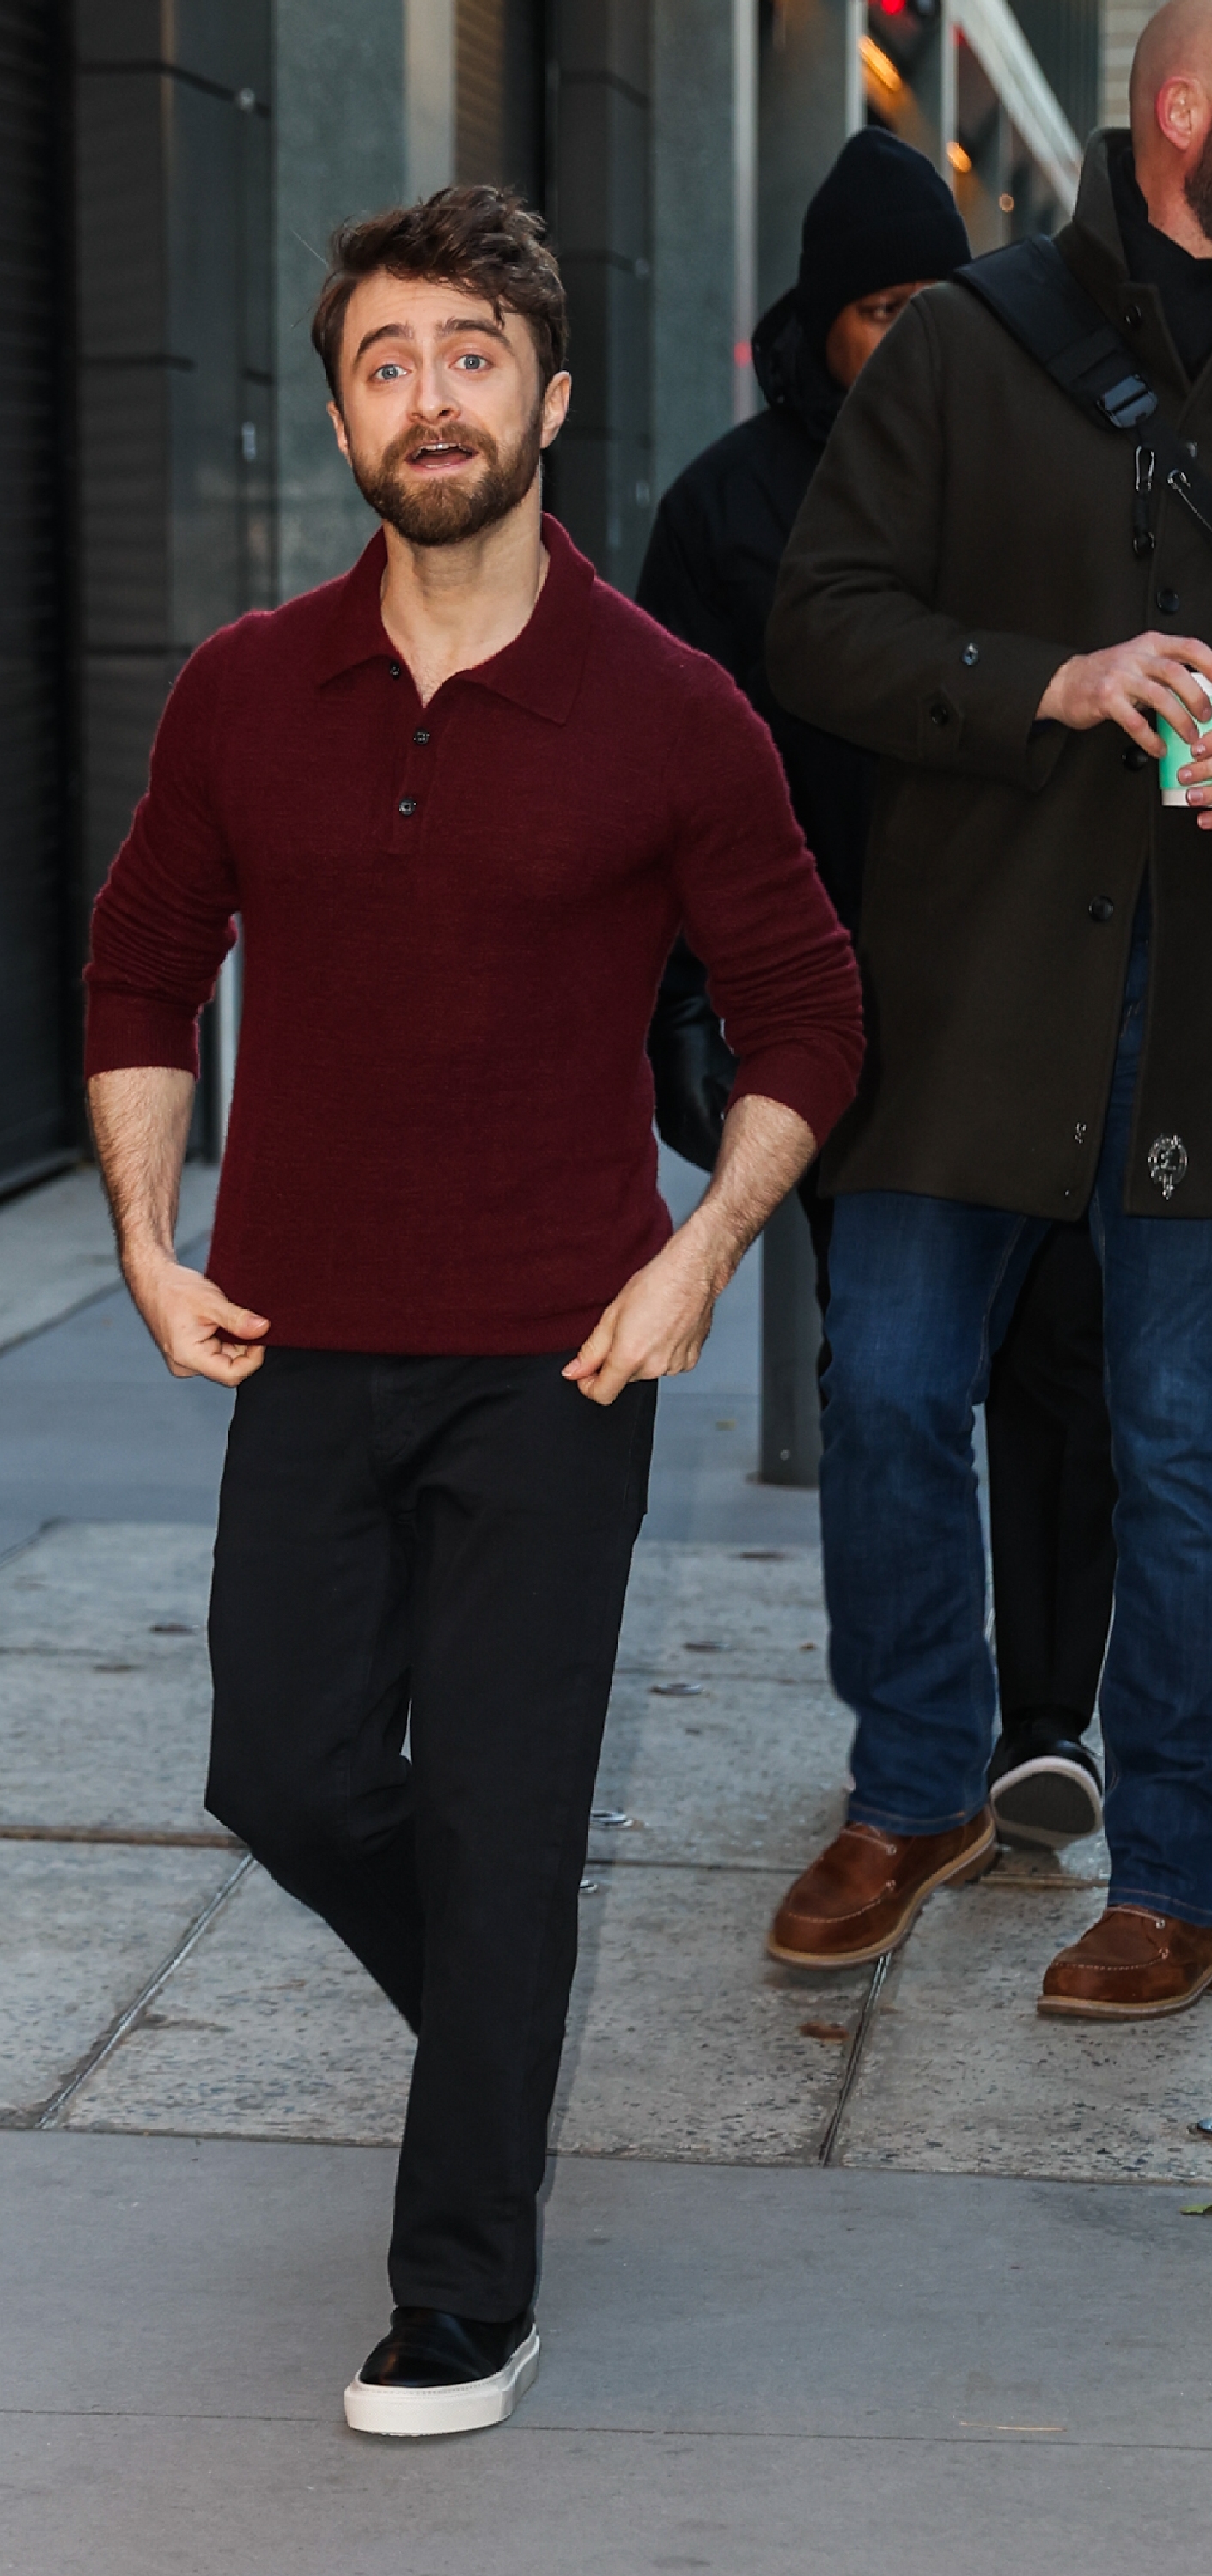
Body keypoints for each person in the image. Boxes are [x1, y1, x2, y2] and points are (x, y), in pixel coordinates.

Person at [83, 184, 862, 2436]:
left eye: (467, 355)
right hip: (304, 1339)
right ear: (339, 406)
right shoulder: (246, 690)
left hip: (559, 1345)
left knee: (501, 1815)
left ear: (545, 389)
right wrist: (149, 1236)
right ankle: (497, 2049)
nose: (428, 397)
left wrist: (699, 1244)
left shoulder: (670, 712)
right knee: (284, 1768)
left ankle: (462, 2290)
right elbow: (142, 961)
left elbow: (807, 1008)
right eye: (384, 360)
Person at [764, 0, 1212, 2018]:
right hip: (974, 987)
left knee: (1183, 1444)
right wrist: (1049, 678)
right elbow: (821, 628)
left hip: (1201, 1009)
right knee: (886, 1391)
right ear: (1189, 107)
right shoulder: (967, 339)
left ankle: (1179, 1874)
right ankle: (918, 1782)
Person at [638, 129, 1115, 1853]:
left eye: (935, 303)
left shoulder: (1035, 468)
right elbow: (667, 789)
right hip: (843, 1021)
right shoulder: (723, 511)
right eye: (878, 309)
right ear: (819, 323)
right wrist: (686, 1004)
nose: (909, 336)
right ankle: (919, 1721)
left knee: (1062, 1365)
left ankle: (1047, 1724)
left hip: (1037, 995)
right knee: (889, 1386)